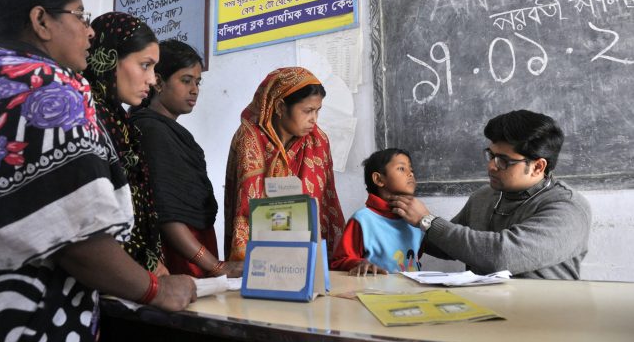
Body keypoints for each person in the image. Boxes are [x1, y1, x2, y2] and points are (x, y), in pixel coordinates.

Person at [0, 0, 195, 342]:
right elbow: (76, 237)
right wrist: (155, 290)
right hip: (25, 314)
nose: (89, 30)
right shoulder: (43, 84)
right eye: (80, 15)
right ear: (41, 20)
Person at [390, 109, 592, 279]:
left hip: (545, 319)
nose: (491, 166)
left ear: (538, 166)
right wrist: (389, 225)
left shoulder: (568, 208)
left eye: (503, 161)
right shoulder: (484, 196)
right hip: (483, 310)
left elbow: (501, 256)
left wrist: (427, 221)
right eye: (491, 155)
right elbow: (448, 245)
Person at [130, 40, 243, 278]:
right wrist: (215, 266)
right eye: (186, 80)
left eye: (197, 82)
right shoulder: (153, 132)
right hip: (178, 259)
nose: (195, 89)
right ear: (159, 82)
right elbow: (168, 215)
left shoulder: (169, 131)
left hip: (193, 252)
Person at [224, 67, 346, 261]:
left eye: (317, 111)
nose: (314, 119)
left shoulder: (318, 141)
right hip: (263, 258)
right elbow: (247, 211)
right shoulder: (250, 139)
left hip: (310, 254)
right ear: (280, 107)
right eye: (307, 111)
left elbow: (326, 202)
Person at [84, 11, 167, 276]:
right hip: (110, 276)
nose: (152, 80)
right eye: (145, 65)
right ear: (109, 59)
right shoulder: (85, 118)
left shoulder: (121, 122)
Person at [332, 148, 424, 276]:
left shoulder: (416, 219)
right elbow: (338, 262)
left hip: (414, 294)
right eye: (401, 168)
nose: (411, 174)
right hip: (376, 294)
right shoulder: (362, 220)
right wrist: (359, 263)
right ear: (379, 179)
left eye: (411, 170)